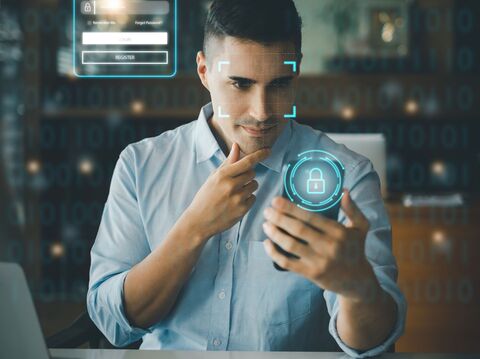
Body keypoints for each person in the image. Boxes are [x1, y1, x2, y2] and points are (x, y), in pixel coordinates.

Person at [87, 0, 407, 357]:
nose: (262, 111)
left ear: (297, 72)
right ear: (205, 71)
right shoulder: (139, 165)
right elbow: (112, 322)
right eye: (240, 84)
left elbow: (374, 345)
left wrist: (358, 288)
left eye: (280, 84)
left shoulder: (348, 176)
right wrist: (194, 228)